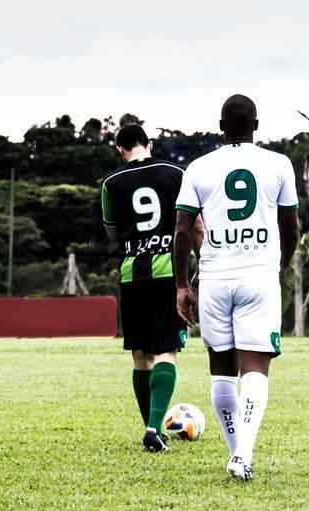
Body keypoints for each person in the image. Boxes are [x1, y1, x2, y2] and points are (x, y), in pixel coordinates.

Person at [173, 94, 300, 481]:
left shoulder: (198, 167)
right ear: (257, 125)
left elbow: (181, 231)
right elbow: (291, 225)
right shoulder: (278, 164)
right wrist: (281, 263)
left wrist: (181, 285)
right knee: (256, 368)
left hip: (214, 276)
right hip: (258, 275)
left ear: (220, 125)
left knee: (222, 371)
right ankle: (242, 456)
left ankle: (235, 453)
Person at [99, 125, 203, 452]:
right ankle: (153, 427)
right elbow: (195, 226)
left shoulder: (111, 183)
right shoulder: (175, 173)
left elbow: (112, 233)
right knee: (167, 350)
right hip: (166, 269)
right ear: (150, 143)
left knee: (140, 354)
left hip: (132, 271)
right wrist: (202, 264)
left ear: (120, 149)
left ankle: (151, 427)